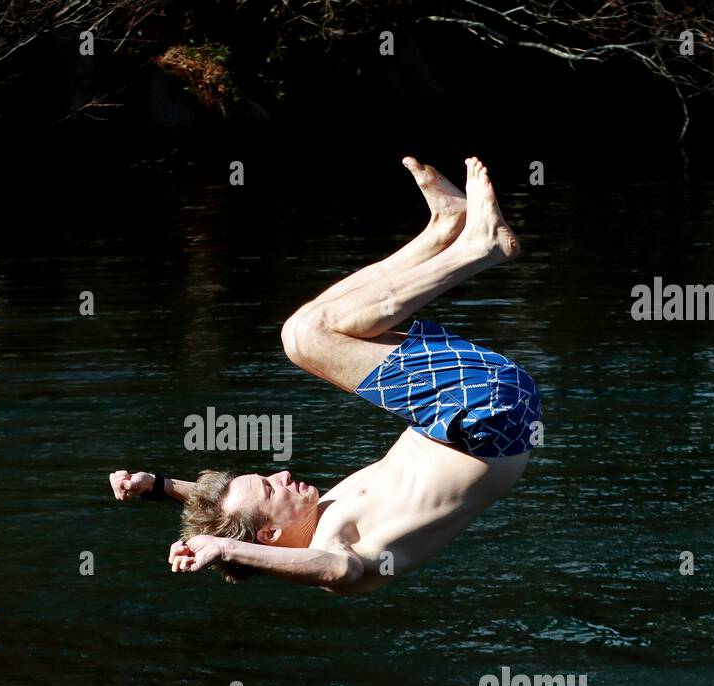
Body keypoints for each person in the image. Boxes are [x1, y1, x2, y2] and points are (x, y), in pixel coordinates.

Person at [109, 157, 539, 594]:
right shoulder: (335, 549)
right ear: (270, 538)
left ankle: (444, 230)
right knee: (306, 336)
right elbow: (337, 570)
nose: (281, 475)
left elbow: (235, 516)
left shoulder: (314, 515)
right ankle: (478, 247)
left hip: (472, 414)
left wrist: (161, 487)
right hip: (484, 418)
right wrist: (225, 552)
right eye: (272, 490)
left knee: (306, 334)